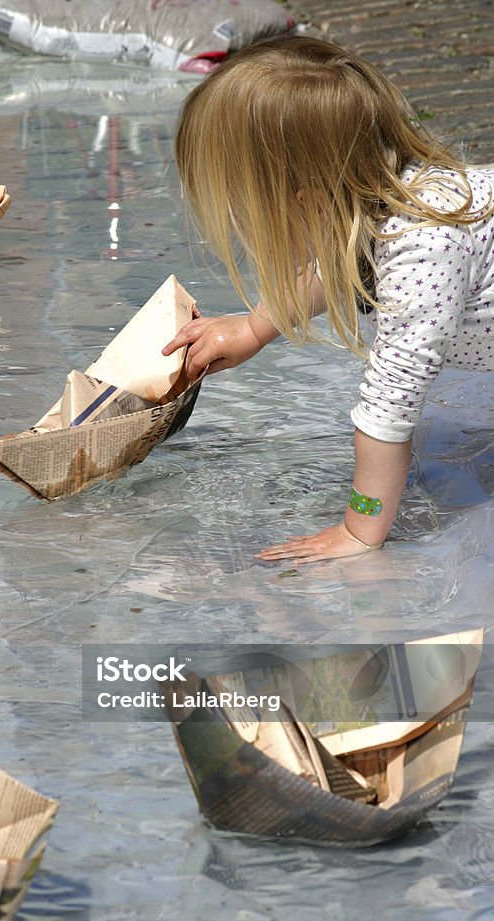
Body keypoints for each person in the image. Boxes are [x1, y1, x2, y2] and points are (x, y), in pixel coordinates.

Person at [161, 35, 494, 563]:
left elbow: (389, 406)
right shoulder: (380, 205)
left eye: (241, 209)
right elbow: (339, 264)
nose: (236, 224)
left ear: (310, 202)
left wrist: (361, 529)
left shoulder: (425, 250)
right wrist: (254, 328)